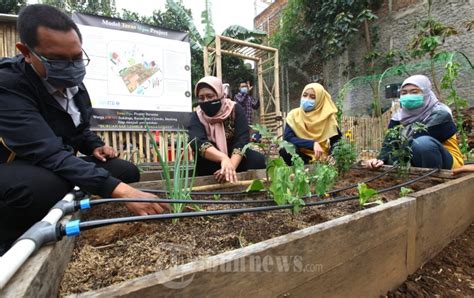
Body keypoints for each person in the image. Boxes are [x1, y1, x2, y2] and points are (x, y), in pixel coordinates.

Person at [0, 5, 168, 254]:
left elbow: (77, 130)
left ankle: (76, 211)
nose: (71, 67)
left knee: (125, 170)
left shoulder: (73, 85)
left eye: (76, 58)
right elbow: (49, 154)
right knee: (43, 188)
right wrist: (123, 192)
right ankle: (13, 246)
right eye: (57, 59)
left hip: (56, 165)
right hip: (18, 169)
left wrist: (94, 145)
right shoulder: (9, 86)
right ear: (26, 53)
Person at [366, 75, 464, 170]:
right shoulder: (398, 116)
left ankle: (434, 181)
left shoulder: (440, 113)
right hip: (413, 159)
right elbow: (389, 144)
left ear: (426, 93)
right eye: (404, 93)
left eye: (414, 92)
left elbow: (416, 139)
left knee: (423, 144)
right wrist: (380, 159)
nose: (408, 96)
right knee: (392, 159)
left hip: (447, 163)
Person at [187, 76, 266, 183]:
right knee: (203, 162)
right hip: (213, 159)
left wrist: (230, 166)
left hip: (236, 157)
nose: (206, 101)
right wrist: (223, 158)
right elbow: (197, 141)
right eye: (201, 98)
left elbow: (241, 140)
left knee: (258, 160)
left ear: (220, 94)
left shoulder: (235, 109)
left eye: (210, 96)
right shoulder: (197, 116)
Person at [280, 83, 341, 164]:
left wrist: (331, 156)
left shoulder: (327, 117)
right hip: (300, 156)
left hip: (321, 157)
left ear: (320, 100)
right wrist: (312, 144)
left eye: (312, 97)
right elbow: (288, 138)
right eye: (304, 95)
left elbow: (337, 141)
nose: (307, 99)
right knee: (285, 150)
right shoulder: (293, 115)